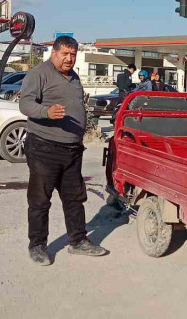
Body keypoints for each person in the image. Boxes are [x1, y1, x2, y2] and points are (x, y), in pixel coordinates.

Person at [19, 35, 108, 266]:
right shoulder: (39, 74)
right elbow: (25, 104)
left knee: (74, 199)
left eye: (73, 55)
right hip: (44, 147)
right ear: (54, 53)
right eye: (65, 54)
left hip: (71, 150)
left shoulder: (74, 77)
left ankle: (78, 241)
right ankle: (37, 246)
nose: (69, 59)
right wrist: (46, 112)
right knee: (40, 200)